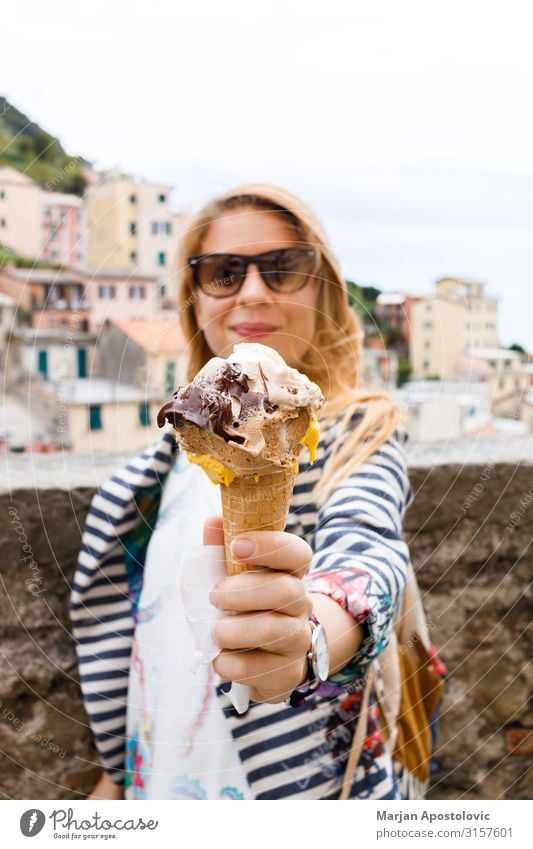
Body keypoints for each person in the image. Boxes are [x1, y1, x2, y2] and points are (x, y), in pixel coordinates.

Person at [71, 183, 419, 801]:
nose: (252, 291)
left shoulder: (353, 435)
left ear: (322, 293)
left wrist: (306, 642)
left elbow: (369, 552)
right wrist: (112, 786)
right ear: (195, 299)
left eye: (283, 269)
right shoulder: (150, 476)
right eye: (223, 272)